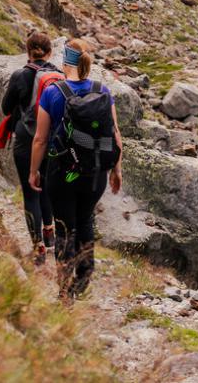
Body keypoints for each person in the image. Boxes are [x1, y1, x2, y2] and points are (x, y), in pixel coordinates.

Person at [29, 38, 122, 301]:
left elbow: (40, 138)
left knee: (64, 227)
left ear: (64, 62)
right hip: (95, 173)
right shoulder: (102, 90)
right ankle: (84, 276)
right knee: (85, 220)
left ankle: (65, 289)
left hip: (61, 172)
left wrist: (34, 170)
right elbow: (115, 135)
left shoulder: (52, 92)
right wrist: (116, 169)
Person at [1, 31, 57, 266]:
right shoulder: (59, 75)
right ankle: (50, 233)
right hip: (53, 140)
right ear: (50, 52)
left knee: (30, 190)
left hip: (27, 140)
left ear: (27, 51)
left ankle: (38, 249)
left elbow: (6, 108)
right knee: (45, 187)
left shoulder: (20, 76)